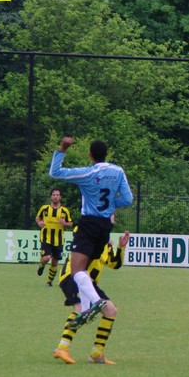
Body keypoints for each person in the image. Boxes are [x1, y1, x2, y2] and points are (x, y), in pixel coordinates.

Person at [48, 137, 132, 323]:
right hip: (105, 227)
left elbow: (55, 172)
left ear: (90, 155)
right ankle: (85, 310)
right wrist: (110, 206)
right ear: (106, 154)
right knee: (84, 270)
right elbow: (128, 199)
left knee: (76, 270)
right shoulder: (118, 171)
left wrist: (63, 148)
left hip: (88, 224)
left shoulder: (87, 173)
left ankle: (96, 301)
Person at [52, 231, 130, 365]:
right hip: (72, 276)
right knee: (80, 308)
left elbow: (114, 264)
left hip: (90, 283)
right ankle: (62, 348)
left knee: (111, 311)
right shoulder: (89, 233)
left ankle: (96, 353)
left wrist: (121, 247)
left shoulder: (105, 244)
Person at [35, 187, 73, 286]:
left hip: (58, 240)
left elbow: (70, 223)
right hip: (46, 237)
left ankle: (49, 282)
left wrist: (65, 223)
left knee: (55, 262)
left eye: (57, 195)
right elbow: (38, 217)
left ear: (60, 197)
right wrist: (39, 222)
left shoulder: (64, 211)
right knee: (47, 257)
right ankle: (41, 264)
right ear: (51, 197)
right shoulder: (44, 208)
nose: (55, 197)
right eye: (53, 195)